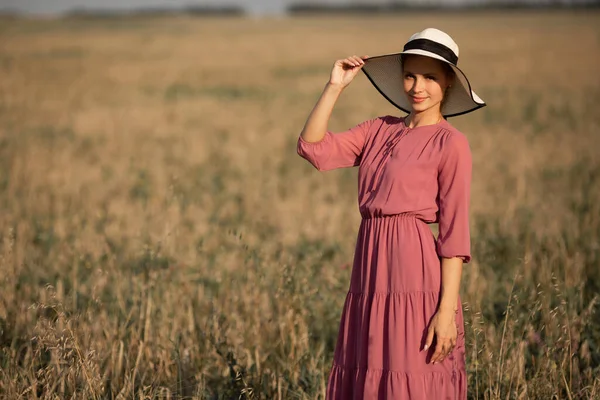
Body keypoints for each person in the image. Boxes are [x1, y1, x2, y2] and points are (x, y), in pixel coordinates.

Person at [296, 28, 486, 399]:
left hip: (414, 272)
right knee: (369, 370)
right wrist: (334, 87)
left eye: (430, 77)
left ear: (447, 84)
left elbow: (454, 236)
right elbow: (312, 148)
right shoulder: (377, 129)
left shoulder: (452, 144)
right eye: (410, 75)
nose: (418, 86)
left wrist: (445, 312)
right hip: (369, 268)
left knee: (410, 375)